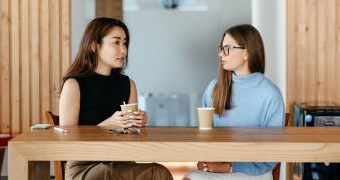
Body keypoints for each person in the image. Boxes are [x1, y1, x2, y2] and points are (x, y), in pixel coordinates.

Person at [59, 17, 173, 180]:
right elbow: (67, 138)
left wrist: (138, 123)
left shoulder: (128, 85)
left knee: (159, 172)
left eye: (125, 43)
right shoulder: (74, 85)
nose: (123, 50)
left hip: (119, 160)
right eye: (116, 43)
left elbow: (133, 136)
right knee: (107, 173)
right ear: (94, 46)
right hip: (84, 165)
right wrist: (108, 125)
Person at [184, 24, 285, 180]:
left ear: (247, 53)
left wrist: (229, 166)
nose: (220, 54)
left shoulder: (270, 94)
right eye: (221, 48)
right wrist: (206, 160)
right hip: (218, 169)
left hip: (255, 173)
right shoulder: (213, 89)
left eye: (227, 49)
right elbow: (205, 136)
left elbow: (272, 155)